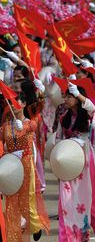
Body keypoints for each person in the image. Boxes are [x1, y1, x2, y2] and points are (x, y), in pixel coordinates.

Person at [55, 85, 95, 241]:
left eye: (69, 96)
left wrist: (79, 94)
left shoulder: (87, 114)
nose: (65, 99)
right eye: (65, 96)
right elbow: (58, 139)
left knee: (92, 198)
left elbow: (91, 106)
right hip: (68, 161)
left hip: (86, 162)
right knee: (68, 200)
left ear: (78, 98)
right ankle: (71, 235)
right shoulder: (63, 118)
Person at [0, 93, 50, 241]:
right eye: (11, 103)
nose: (13, 105)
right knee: (11, 201)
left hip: (26, 164)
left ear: (23, 104)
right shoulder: (4, 127)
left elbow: (34, 126)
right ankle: (13, 234)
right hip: (11, 166)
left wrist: (24, 126)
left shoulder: (30, 123)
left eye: (17, 102)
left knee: (27, 199)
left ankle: (35, 226)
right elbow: (1, 144)